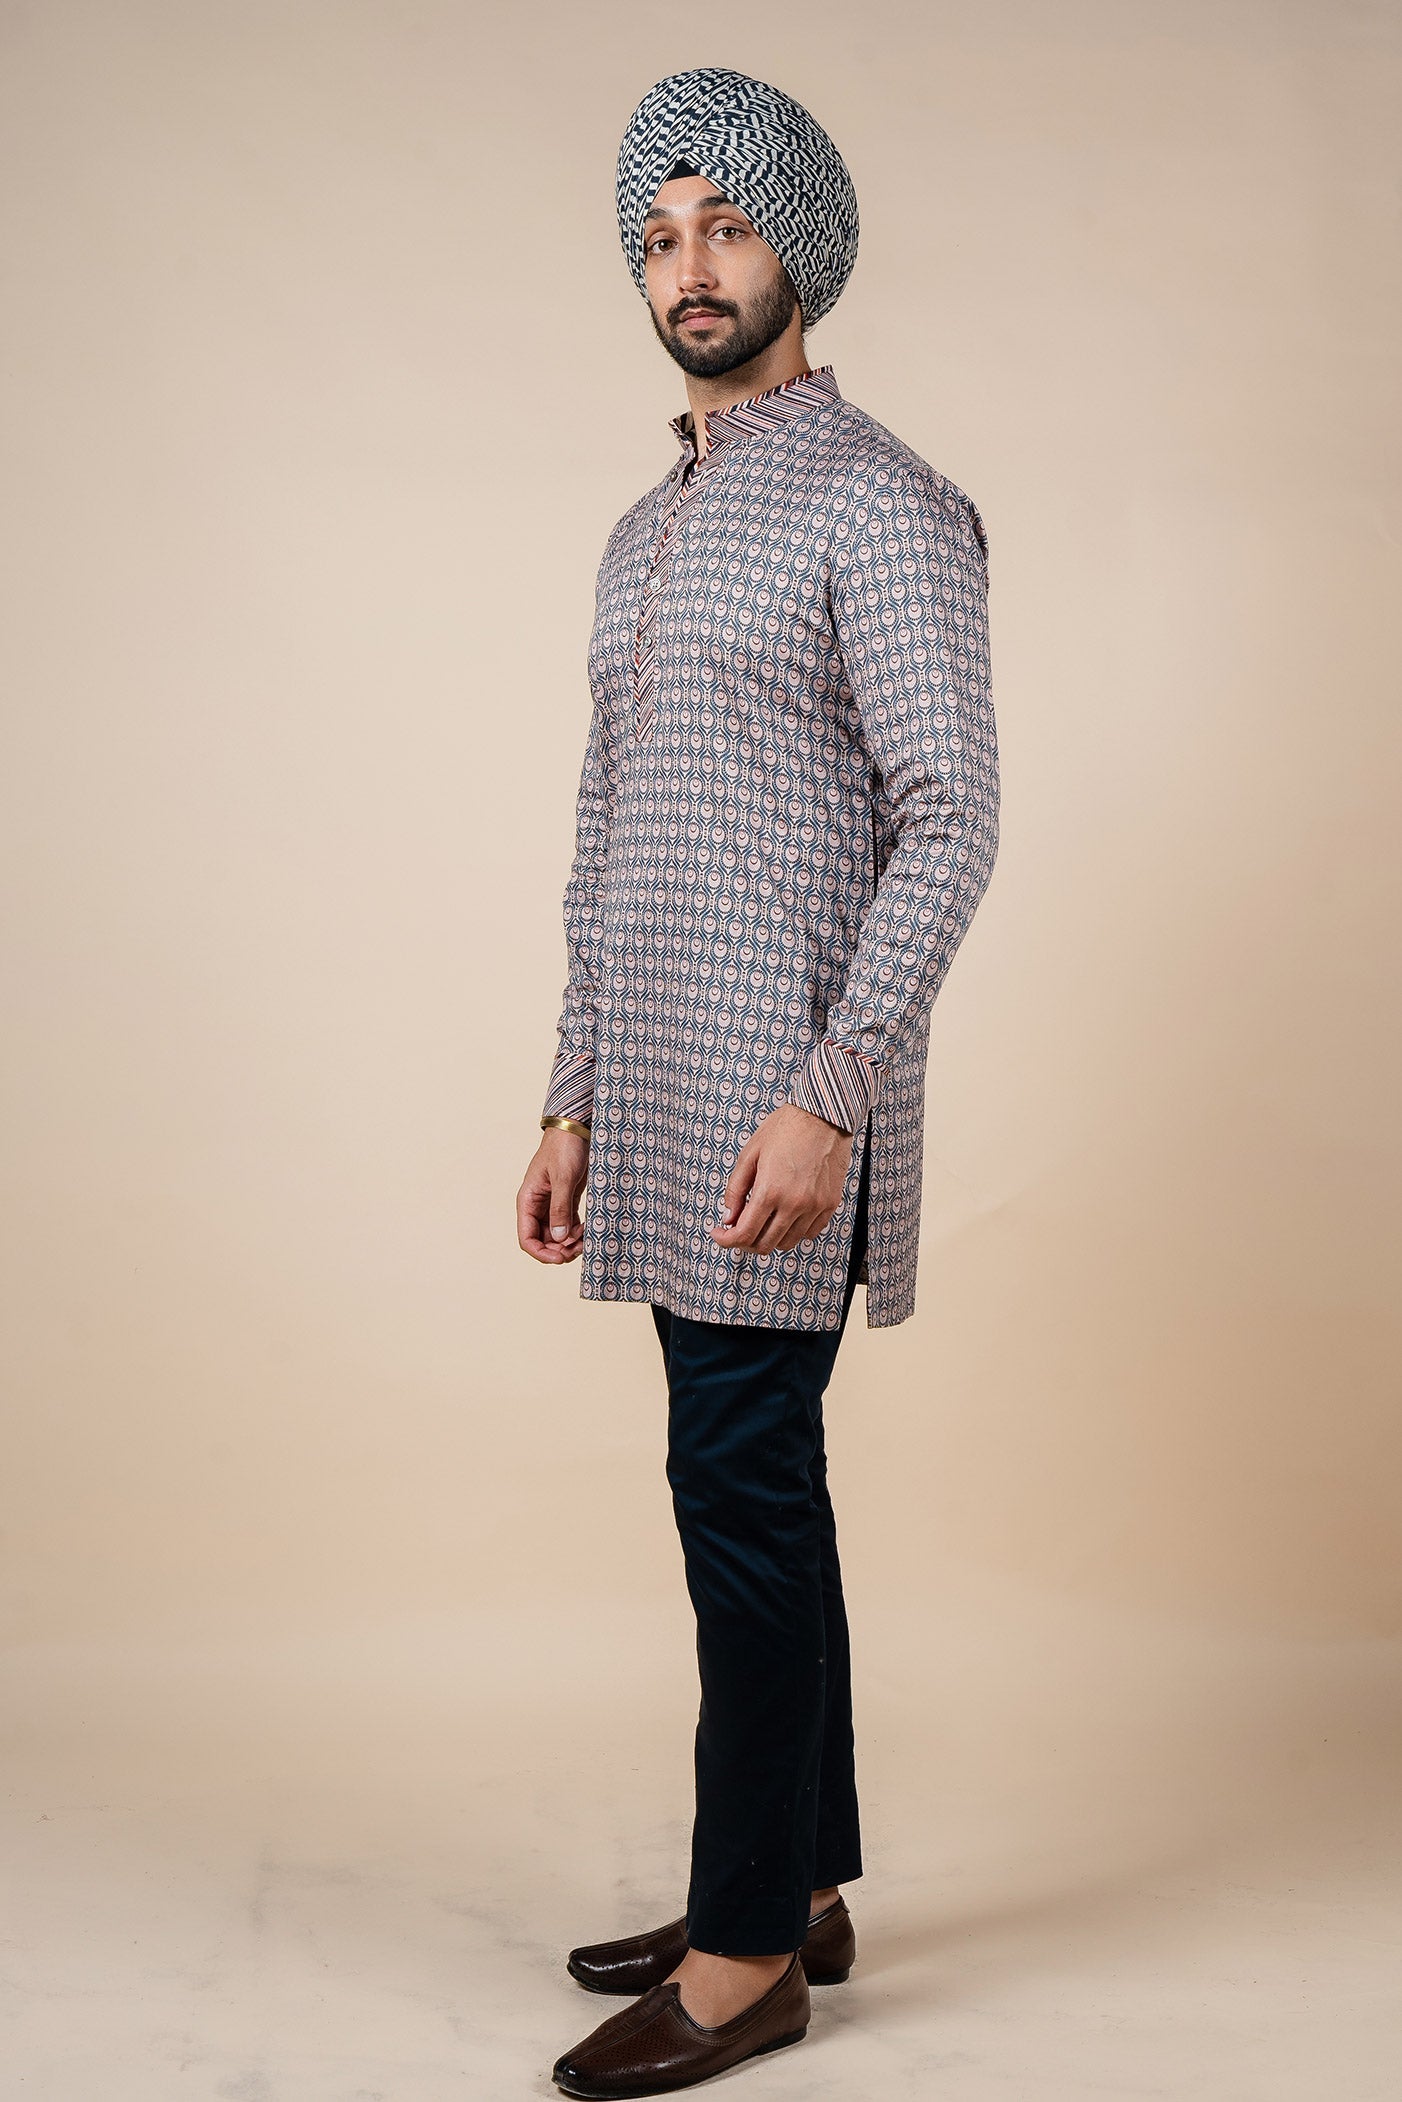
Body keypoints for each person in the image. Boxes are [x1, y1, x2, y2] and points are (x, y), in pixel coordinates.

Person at [515, 66, 1000, 2097]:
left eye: (722, 224)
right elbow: (605, 825)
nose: (687, 266)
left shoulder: (880, 501)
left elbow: (949, 813)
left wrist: (832, 1087)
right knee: (753, 1482)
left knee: (734, 1484)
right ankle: (792, 1879)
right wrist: (568, 1091)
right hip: (653, 1092)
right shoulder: (644, 531)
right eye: (656, 236)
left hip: (777, 1101)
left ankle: (742, 1957)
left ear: (798, 241)